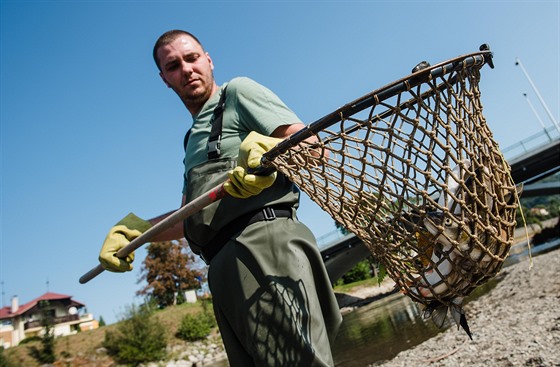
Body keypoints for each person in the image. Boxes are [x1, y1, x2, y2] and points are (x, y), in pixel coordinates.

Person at [98, 29, 342, 366]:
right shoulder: (190, 141)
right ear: (164, 79)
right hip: (224, 269)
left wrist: (271, 152)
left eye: (192, 58)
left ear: (209, 60)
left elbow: (315, 150)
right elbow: (191, 217)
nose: (186, 69)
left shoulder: (237, 93)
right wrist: (138, 232)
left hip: (264, 248)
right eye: (173, 66)